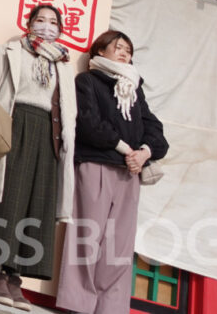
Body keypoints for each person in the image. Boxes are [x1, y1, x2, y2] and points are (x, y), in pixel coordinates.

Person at [56, 30, 168, 314]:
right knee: (87, 236)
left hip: (129, 172)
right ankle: (78, 304)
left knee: (119, 246)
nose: (124, 53)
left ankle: (110, 309)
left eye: (128, 50)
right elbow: (88, 123)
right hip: (96, 164)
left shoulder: (134, 89)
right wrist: (125, 148)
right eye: (118, 47)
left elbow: (155, 131)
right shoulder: (88, 81)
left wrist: (144, 152)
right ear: (100, 51)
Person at [0, 4, 77, 311]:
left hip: (49, 131)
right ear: (30, 23)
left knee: (38, 204)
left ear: (60, 30)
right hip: (16, 122)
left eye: (52, 22)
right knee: (9, 199)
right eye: (40, 20)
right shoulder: (11, 50)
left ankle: (15, 275)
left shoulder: (63, 63)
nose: (47, 26)